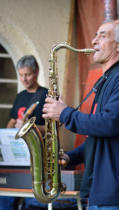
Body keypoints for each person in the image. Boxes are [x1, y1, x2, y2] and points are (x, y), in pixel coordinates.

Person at [42, 20, 119, 210]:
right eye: (95, 35)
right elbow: (97, 137)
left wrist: (64, 113)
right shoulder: (106, 81)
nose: (94, 41)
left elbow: (109, 124)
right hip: (100, 193)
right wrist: (72, 157)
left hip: (117, 194)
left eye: (103, 36)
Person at [0, 55, 48, 210]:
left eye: (27, 74)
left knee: (32, 201)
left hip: (37, 158)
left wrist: (30, 127)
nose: (24, 79)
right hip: (17, 155)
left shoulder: (45, 95)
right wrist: (14, 124)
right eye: (20, 75)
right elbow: (11, 121)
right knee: (6, 198)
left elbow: (52, 128)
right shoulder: (20, 96)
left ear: (36, 72)